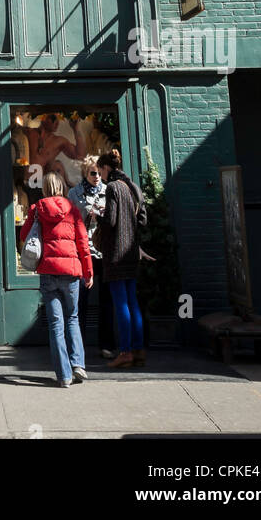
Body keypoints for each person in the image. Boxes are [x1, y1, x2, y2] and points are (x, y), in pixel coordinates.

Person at [20, 171, 92, 388]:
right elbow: (83, 242)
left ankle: (63, 375)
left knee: (55, 324)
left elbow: (24, 235)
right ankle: (78, 364)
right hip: (71, 272)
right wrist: (88, 271)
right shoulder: (73, 209)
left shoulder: (37, 209)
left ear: (44, 188)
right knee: (72, 318)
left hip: (48, 271)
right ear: (61, 186)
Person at [96, 147, 148, 369]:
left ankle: (125, 352)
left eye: (100, 171)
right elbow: (144, 220)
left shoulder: (113, 188)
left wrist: (99, 216)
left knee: (121, 304)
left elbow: (111, 221)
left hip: (116, 253)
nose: (100, 175)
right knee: (133, 302)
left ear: (106, 168)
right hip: (131, 252)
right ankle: (138, 350)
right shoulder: (132, 186)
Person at [68, 155, 116, 358]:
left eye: (99, 173)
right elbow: (69, 222)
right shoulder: (75, 193)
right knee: (81, 300)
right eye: (93, 173)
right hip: (83, 251)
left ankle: (106, 344)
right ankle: (79, 347)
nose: (97, 177)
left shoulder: (109, 190)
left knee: (107, 300)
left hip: (103, 251)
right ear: (85, 173)